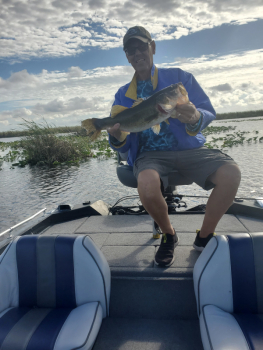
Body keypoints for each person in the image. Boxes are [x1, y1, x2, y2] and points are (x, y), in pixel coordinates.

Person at [107, 26, 241, 267]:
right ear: (127, 56)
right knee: (147, 184)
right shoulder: (122, 95)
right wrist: (116, 137)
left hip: (190, 149)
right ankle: (169, 234)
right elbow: (121, 144)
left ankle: (204, 236)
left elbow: (207, 111)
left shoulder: (180, 79)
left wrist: (195, 117)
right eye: (131, 50)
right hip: (150, 156)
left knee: (231, 173)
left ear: (153, 47)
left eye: (142, 47)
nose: (137, 54)